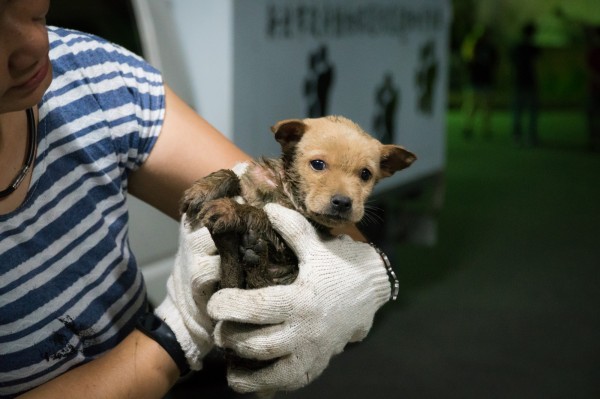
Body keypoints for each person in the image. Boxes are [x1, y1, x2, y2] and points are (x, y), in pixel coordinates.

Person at [0, 2, 396, 398]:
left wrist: (368, 277)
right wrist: (177, 334)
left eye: (34, 12)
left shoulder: (97, 78)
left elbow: (260, 194)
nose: (35, 45)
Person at [461, 26, 499, 139]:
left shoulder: (491, 48)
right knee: (471, 106)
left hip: (486, 80)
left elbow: (495, 63)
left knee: (486, 107)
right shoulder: (473, 45)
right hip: (475, 80)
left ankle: (485, 128)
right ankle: (468, 127)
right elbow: (467, 61)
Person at [511, 22, 541, 147]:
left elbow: (512, 63)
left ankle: (517, 136)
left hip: (519, 81)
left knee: (518, 111)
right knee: (531, 111)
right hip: (529, 82)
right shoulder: (533, 48)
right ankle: (530, 137)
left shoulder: (517, 47)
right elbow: (538, 64)